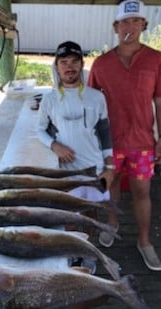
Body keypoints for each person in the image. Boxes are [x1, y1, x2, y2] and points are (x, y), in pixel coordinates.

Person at [88, 0, 161, 271]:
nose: (129, 26)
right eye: (123, 22)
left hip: (143, 143)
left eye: (135, 21)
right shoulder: (101, 63)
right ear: (115, 27)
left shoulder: (156, 59)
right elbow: (91, 105)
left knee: (143, 191)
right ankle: (112, 225)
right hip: (110, 144)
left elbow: (160, 100)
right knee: (112, 187)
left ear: (144, 24)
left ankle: (144, 241)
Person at [37, 40, 115, 271]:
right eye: (64, 62)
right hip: (66, 172)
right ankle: (74, 254)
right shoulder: (49, 99)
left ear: (82, 64)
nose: (69, 67)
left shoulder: (96, 97)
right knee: (69, 214)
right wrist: (54, 146)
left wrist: (109, 165)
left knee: (90, 214)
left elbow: (104, 131)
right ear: (57, 67)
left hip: (94, 168)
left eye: (74, 61)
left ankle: (88, 249)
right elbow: (40, 129)